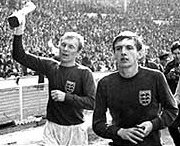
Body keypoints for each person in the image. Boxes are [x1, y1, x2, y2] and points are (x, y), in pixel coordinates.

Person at [11, 14, 96, 145]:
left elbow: (92, 103)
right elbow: (19, 56)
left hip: (75, 129)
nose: (65, 49)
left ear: (78, 52)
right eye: (63, 45)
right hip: (52, 128)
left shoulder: (84, 73)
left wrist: (66, 97)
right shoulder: (50, 66)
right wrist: (19, 31)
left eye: (71, 47)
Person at [92, 31, 178, 146]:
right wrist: (119, 132)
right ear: (113, 55)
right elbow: (98, 123)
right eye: (118, 49)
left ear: (139, 54)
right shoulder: (105, 83)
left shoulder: (155, 77)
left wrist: (153, 124)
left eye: (129, 48)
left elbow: (172, 110)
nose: (123, 52)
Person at [164, 41, 180, 146]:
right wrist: (169, 76)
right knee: (172, 124)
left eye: (179, 53)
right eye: (175, 53)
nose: (177, 56)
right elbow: (163, 82)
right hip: (174, 100)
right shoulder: (170, 65)